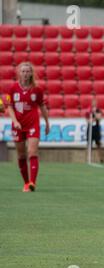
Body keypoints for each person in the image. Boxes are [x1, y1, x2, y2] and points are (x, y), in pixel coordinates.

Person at [4, 62, 49, 192]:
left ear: (31, 73)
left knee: (32, 152)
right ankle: (26, 182)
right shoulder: (13, 88)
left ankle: (32, 183)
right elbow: (9, 107)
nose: (25, 73)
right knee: (21, 155)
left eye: (28, 71)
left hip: (32, 124)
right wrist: (15, 121)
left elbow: (42, 107)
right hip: (18, 125)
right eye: (23, 71)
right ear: (19, 73)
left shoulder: (37, 90)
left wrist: (47, 123)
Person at [85, 99, 103, 163]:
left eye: (95, 102)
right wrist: (93, 119)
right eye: (93, 102)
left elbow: (99, 118)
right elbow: (88, 120)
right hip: (90, 129)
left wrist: (94, 113)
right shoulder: (88, 110)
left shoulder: (98, 110)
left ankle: (101, 159)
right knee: (89, 145)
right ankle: (88, 159)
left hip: (96, 129)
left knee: (98, 144)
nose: (94, 104)